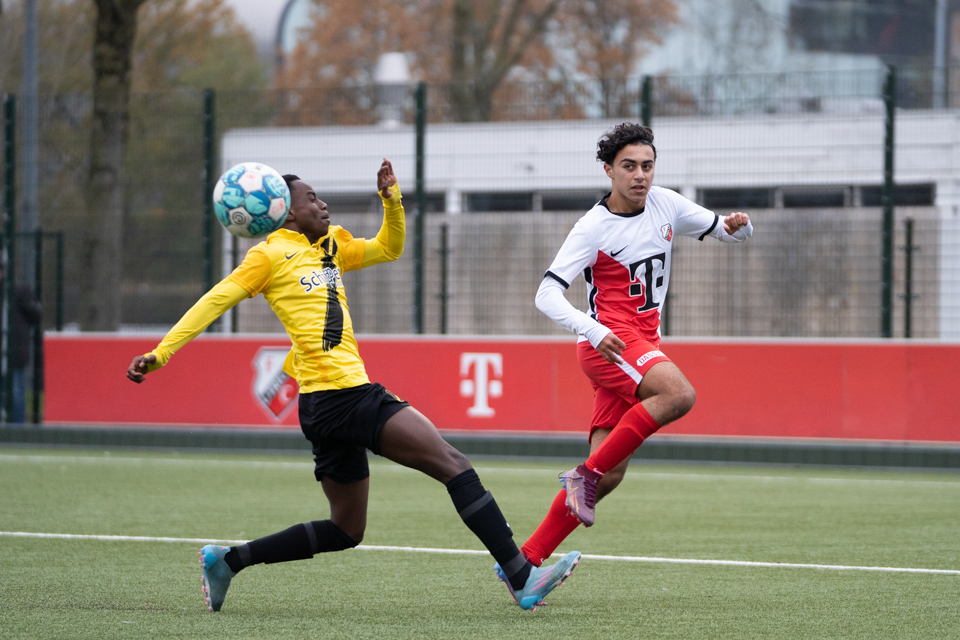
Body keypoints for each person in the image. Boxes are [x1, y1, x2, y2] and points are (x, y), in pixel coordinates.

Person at [126, 159, 580, 612]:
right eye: (312, 199)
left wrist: (392, 201)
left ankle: (228, 561)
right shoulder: (267, 256)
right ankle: (521, 576)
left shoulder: (331, 244)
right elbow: (213, 301)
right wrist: (162, 352)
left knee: (346, 530)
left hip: (324, 404)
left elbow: (389, 248)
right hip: (341, 395)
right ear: (285, 212)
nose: (323, 205)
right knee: (454, 464)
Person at [515, 123, 754, 568]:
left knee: (611, 474)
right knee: (678, 394)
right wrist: (590, 329)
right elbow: (545, 293)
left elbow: (726, 231)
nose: (640, 175)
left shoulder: (666, 203)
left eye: (647, 165)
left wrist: (740, 226)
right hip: (609, 345)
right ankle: (581, 477)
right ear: (609, 170)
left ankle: (524, 563)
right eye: (629, 166)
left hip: (638, 344)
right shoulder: (592, 228)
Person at [0, 263, 42, 423]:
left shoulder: (18, 291)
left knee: (15, 392)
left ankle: (18, 429)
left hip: (14, 353)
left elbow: (36, 315)